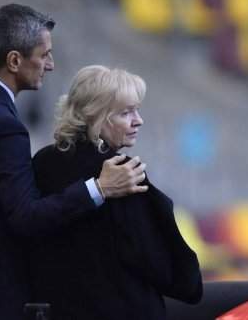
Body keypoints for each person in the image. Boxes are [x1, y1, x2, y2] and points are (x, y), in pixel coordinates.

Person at [0, 4, 146, 320]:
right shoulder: (3, 126)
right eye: (44, 55)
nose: (51, 65)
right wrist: (99, 188)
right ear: (14, 60)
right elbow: (26, 216)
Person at [29, 65, 203, 319]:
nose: (138, 120)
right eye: (126, 112)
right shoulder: (123, 174)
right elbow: (165, 268)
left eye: (137, 110)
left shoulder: (42, 162)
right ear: (97, 116)